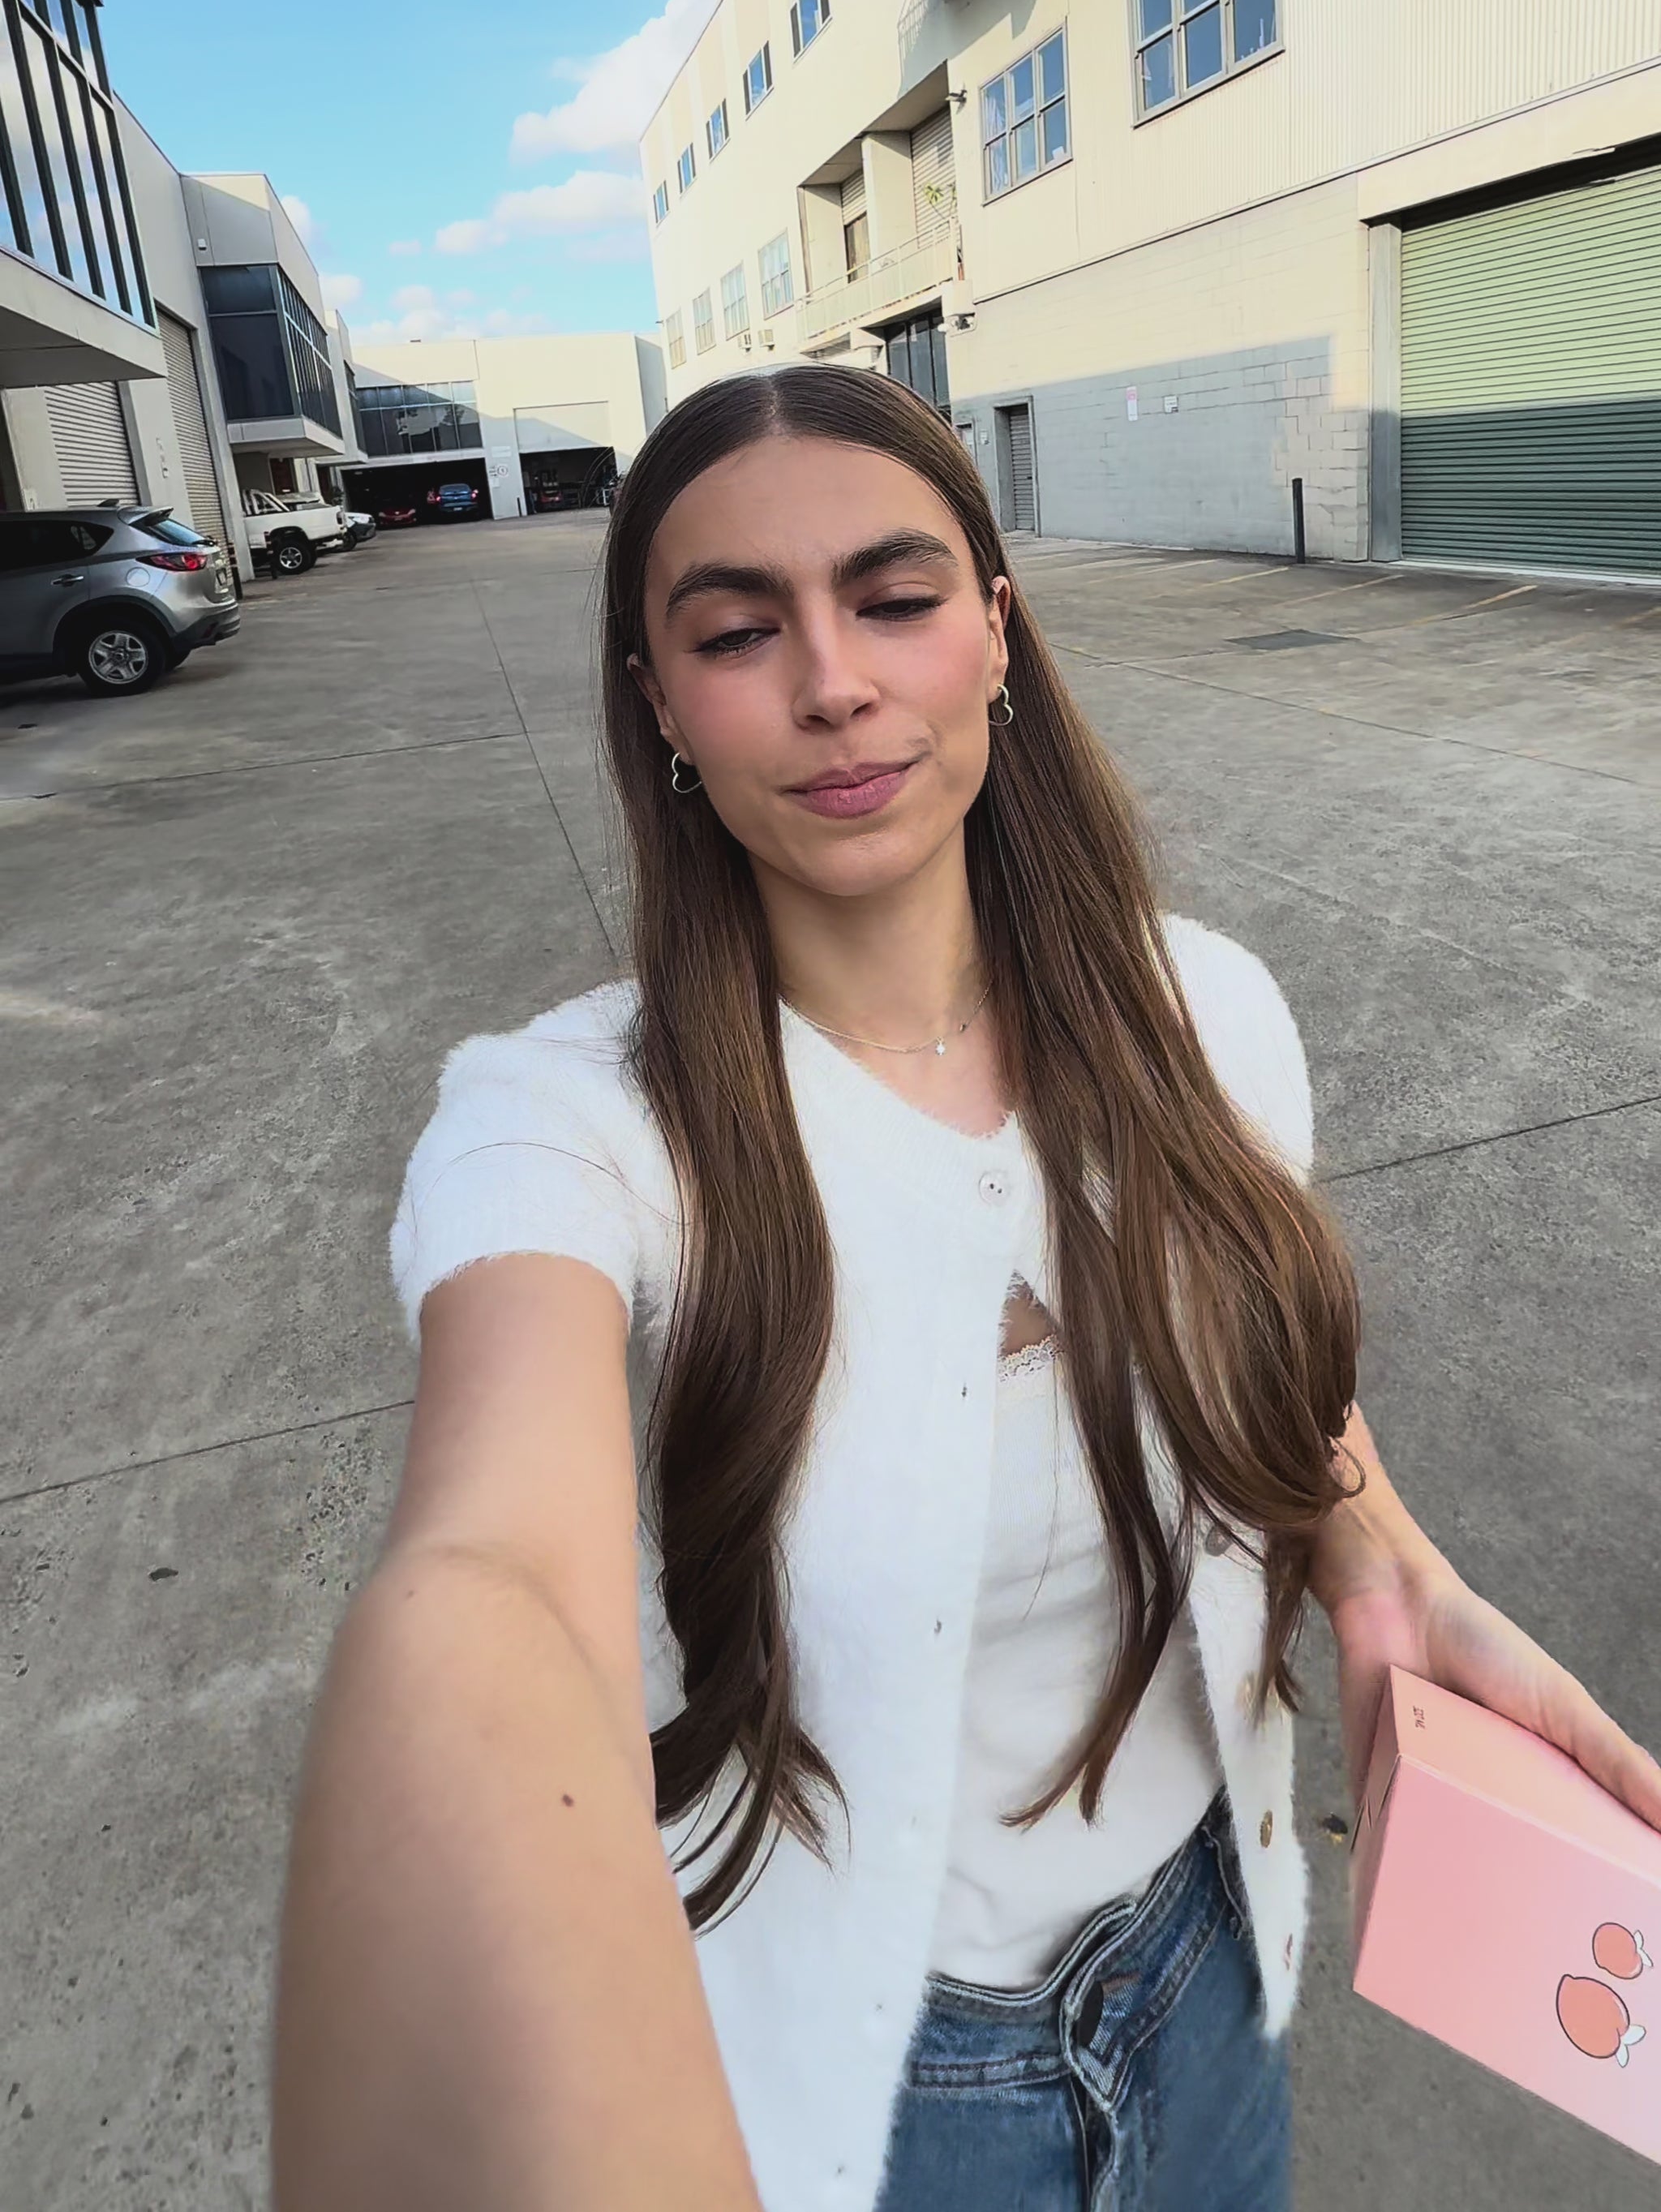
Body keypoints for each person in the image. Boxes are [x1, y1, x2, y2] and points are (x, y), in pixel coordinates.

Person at [272, 366, 1661, 2212]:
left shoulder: (1211, 1013)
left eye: (895, 598)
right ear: (660, 701)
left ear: (995, 631)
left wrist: (1383, 1561)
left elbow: (1258, 1366)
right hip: (866, 2092)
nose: (833, 681)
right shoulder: (567, 1127)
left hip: (1206, 1983)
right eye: (737, 632)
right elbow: (490, 1583)